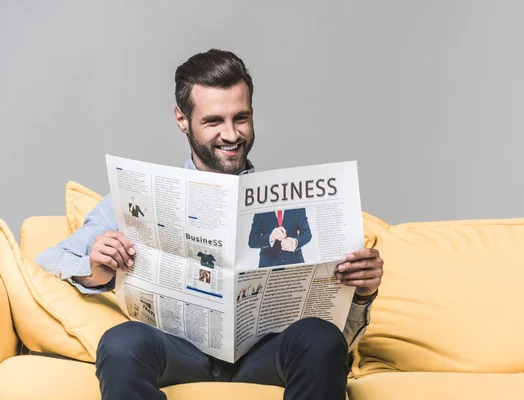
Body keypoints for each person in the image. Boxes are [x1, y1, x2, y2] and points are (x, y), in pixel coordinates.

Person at [35, 49, 384, 400]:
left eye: (241, 118)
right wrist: (94, 272)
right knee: (122, 343)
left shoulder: (296, 206)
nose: (231, 135)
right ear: (182, 119)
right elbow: (51, 259)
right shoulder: (137, 195)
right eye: (213, 121)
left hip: (263, 356)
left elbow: (341, 341)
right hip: (180, 354)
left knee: (319, 338)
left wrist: (362, 295)